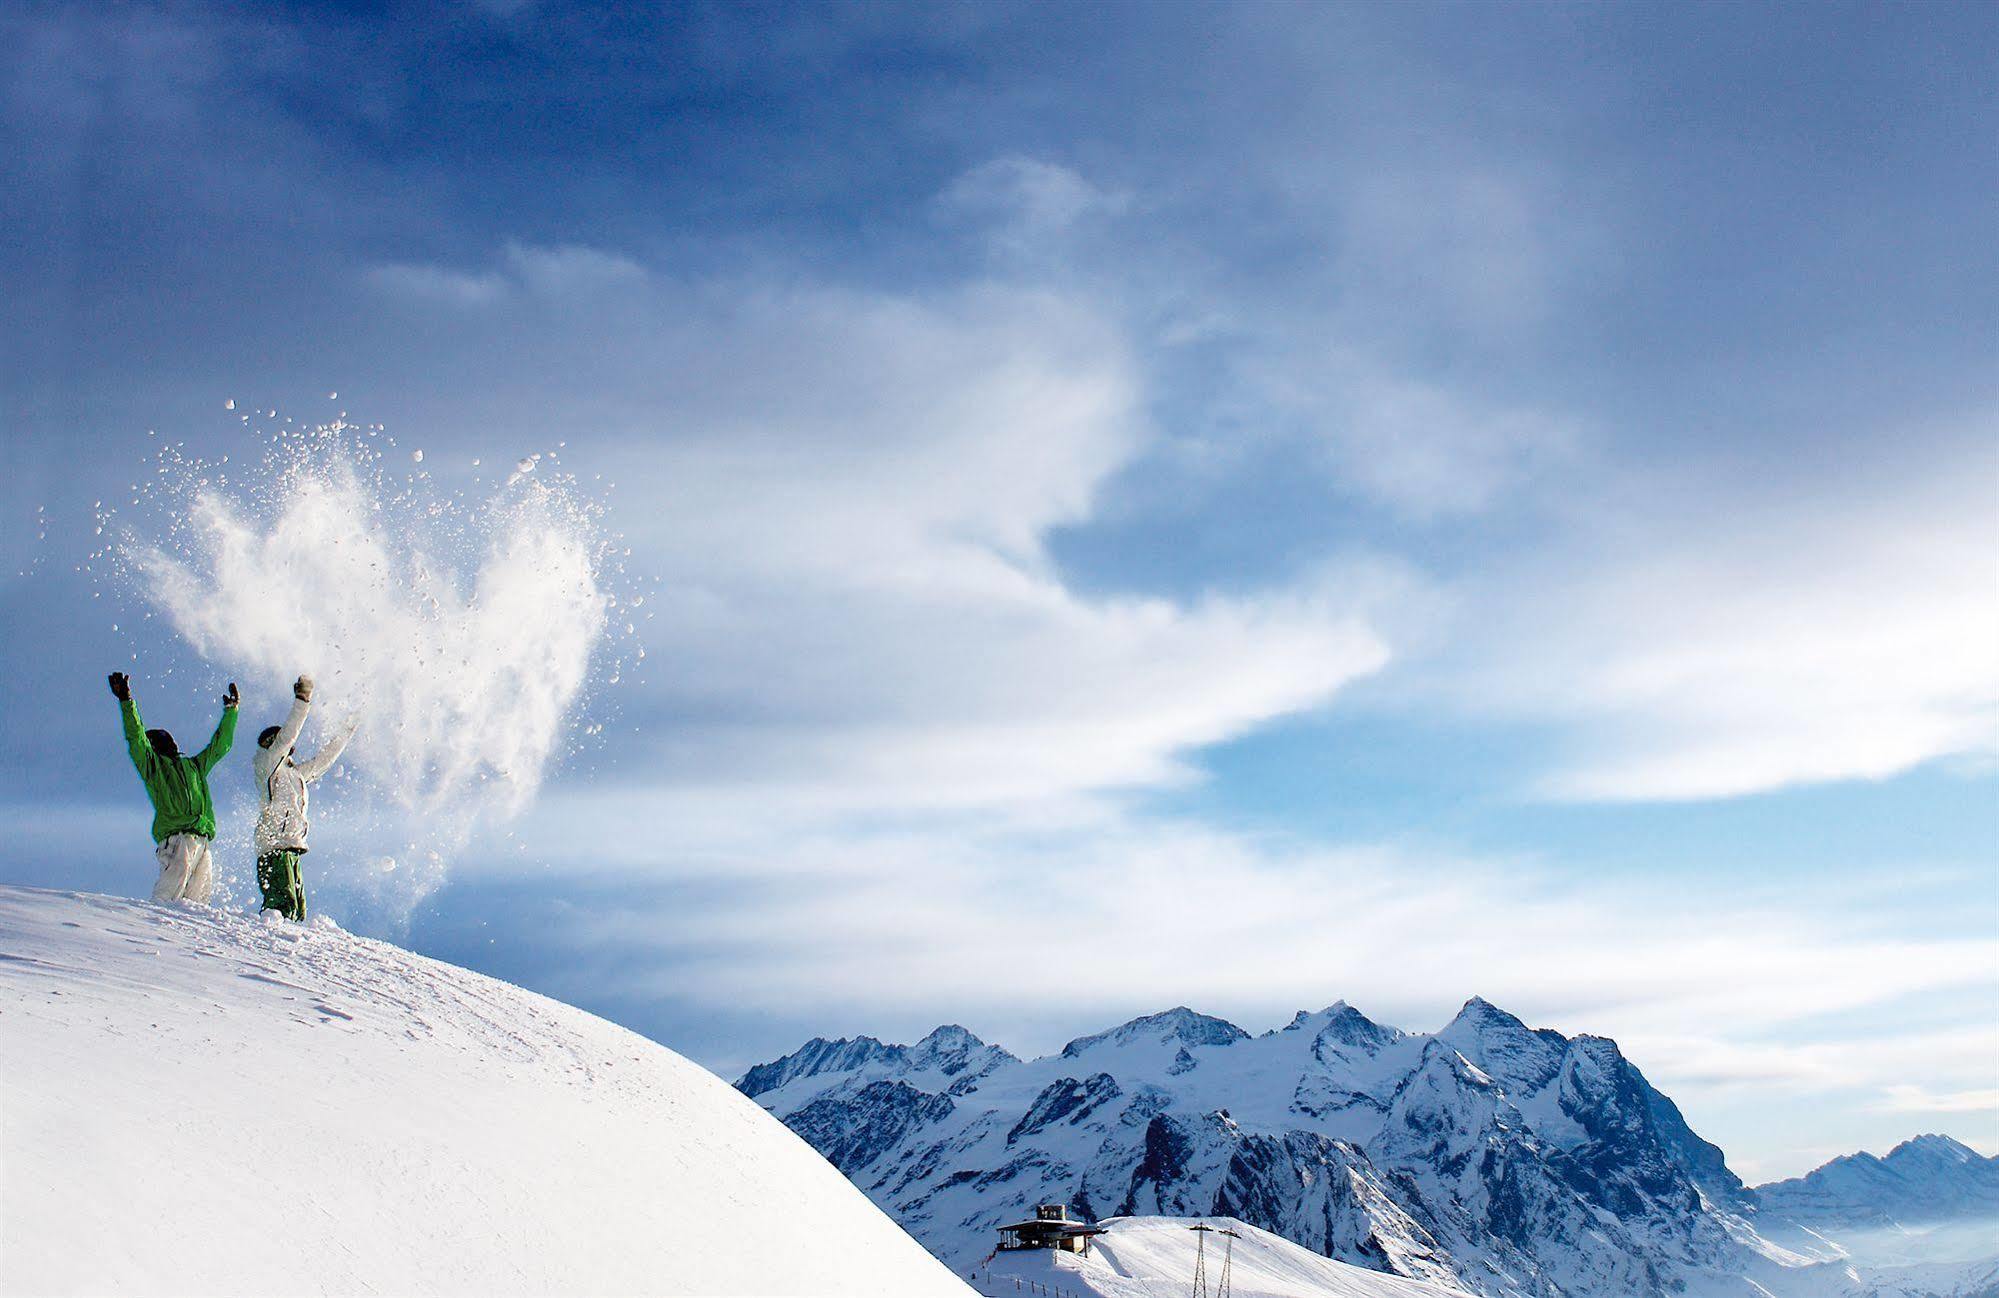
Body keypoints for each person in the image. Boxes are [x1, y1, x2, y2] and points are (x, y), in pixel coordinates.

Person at [109, 671, 238, 905]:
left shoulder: (194, 767)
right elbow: (135, 739)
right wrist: (126, 701)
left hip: (202, 840)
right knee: (168, 896)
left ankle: (189, 940)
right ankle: (152, 930)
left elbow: (220, 746)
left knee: (197, 903)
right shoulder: (154, 768)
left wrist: (231, 713)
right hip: (177, 840)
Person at [252, 674, 358, 922]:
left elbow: (324, 760)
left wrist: (349, 727)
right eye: (275, 741)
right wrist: (302, 701)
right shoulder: (266, 766)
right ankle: (268, 944)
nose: (281, 744)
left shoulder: (295, 775)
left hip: (291, 847)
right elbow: (287, 737)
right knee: (282, 904)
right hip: (274, 848)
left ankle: (290, 952)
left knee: (297, 910)